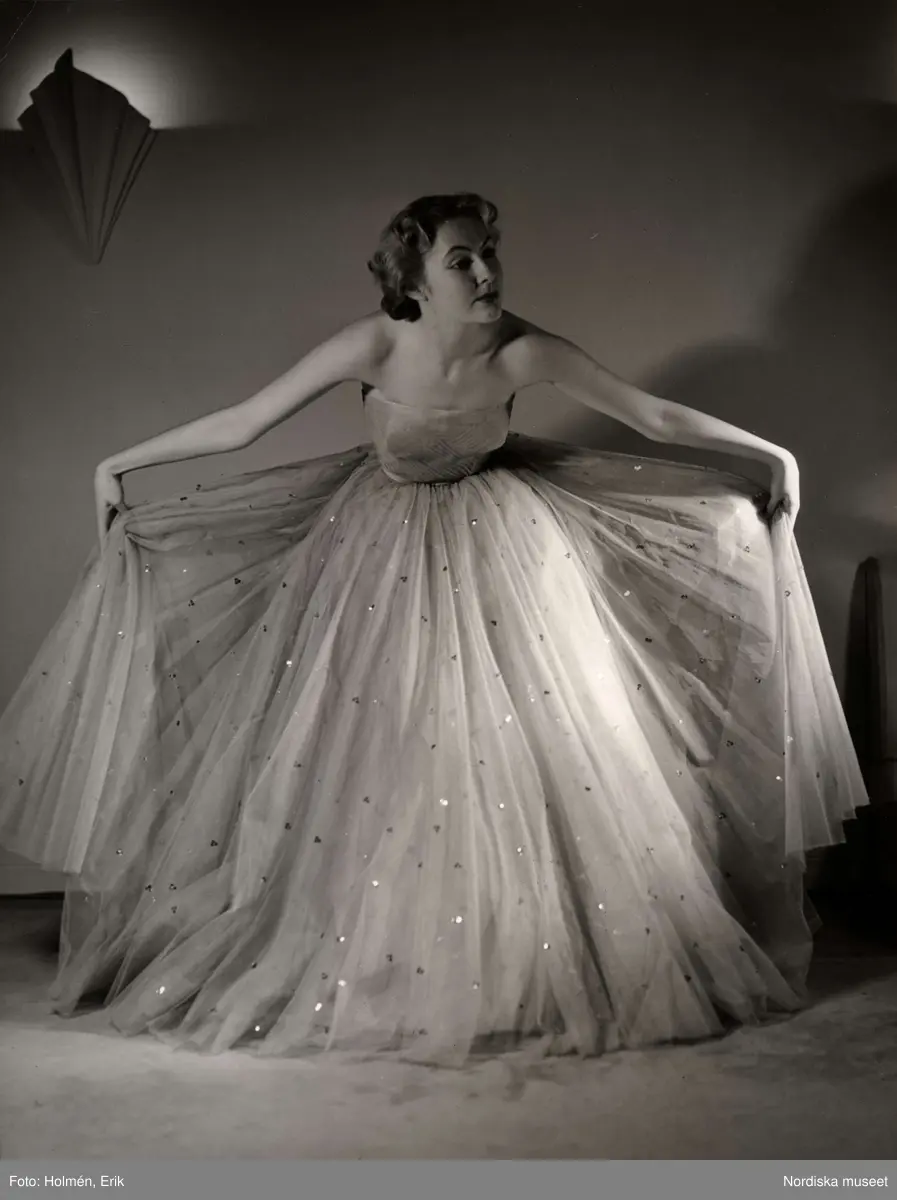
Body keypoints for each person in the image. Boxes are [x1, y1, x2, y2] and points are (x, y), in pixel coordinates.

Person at [0, 193, 868, 1066]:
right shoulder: (373, 344)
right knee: (382, 755)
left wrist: (773, 456)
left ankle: (522, 955)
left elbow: (654, 417)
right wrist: (118, 464)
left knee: (533, 744)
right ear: (412, 277)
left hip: (505, 545)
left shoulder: (523, 348)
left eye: (488, 252)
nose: (486, 272)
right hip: (379, 552)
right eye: (461, 259)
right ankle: (381, 954)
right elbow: (245, 422)